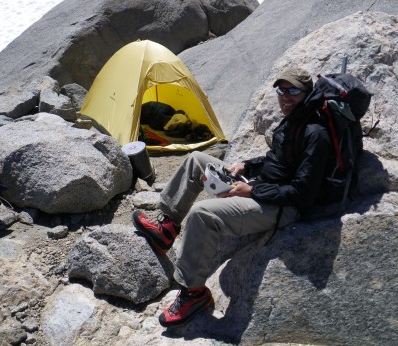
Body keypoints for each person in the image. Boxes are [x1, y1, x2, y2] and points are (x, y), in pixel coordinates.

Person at [132, 67, 332, 328]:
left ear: (307, 94)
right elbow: (278, 161)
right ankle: (167, 227)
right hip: (263, 189)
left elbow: (303, 194)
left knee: (202, 215)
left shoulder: (315, 133)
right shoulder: (294, 120)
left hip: (282, 207)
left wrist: (252, 190)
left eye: (293, 91)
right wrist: (246, 166)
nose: (285, 96)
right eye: (282, 90)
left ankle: (194, 293)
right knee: (196, 161)